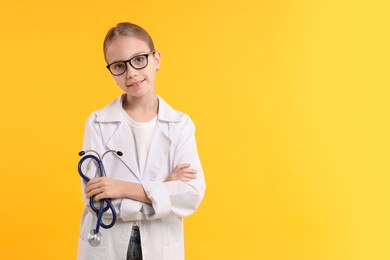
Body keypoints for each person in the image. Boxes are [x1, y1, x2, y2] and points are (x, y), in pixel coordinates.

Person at [77, 22, 206, 260]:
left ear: (156, 59)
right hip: (108, 244)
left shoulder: (180, 125)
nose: (131, 73)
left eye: (139, 59)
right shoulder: (97, 122)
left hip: (160, 245)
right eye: (119, 66)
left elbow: (190, 195)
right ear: (112, 73)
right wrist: (163, 190)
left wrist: (123, 188)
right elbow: (97, 203)